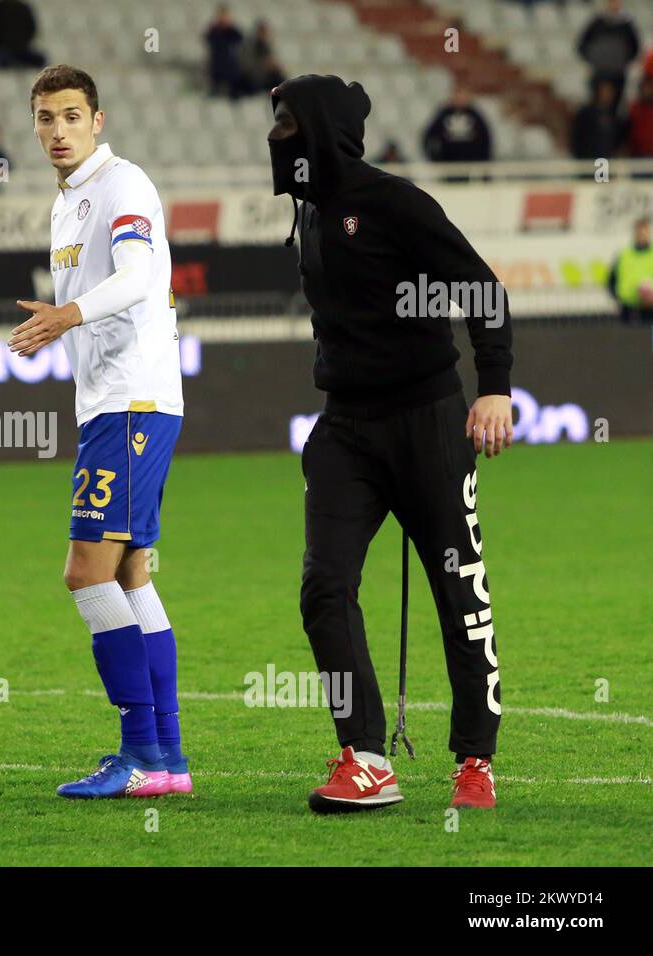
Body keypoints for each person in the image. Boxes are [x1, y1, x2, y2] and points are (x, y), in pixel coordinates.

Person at [267, 74, 511, 813]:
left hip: (426, 421)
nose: (277, 138)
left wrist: (494, 387)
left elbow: (483, 290)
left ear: (322, 131)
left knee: (459, 593)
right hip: (345, 427)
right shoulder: (308, 217)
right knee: (323, 588)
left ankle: (475, 759)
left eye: (286, 123)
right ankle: (365, 757)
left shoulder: (394, 202)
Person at [7, 65, 188, 800]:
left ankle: (139, 750)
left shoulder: (123, 187)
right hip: (117, 404)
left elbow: (140, 275)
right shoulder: (69, 203)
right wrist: (68, 319)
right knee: (129, 571)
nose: (57, 131)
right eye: (46, 118)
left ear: (98, 120)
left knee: (86, 571)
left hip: (131, 403)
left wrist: (65, 316)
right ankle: (167, 762)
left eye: (71, 117)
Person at [577, 0, 640, 111]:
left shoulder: (627, 24)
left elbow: (635, 48)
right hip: (599, 74)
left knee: (615, 108)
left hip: (618, 75)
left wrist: (621, 62)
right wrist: (595, 60)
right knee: (596, 108)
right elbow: (582, 45)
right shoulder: (597, 22)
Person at [422, 85, 492, 167]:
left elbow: (486, 138)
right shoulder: (443, 114)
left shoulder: (475, 114)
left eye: (463, 95)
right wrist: (434, 158)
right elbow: (429, 137)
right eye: (457, 94)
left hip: (471, 164)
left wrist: (482, 160)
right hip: (448, 164)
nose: (460, 98)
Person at [607, 216, 653, 323]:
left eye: (644, 231)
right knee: (626, 338)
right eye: (639, 231)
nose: (641, 234)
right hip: (627, 308)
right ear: (634, 232)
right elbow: (611, 280)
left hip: (650, 308)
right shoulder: (624, 255)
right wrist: (617, 297)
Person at [0, 0, 44, 68]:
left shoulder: (22, 9)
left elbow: (31, 30)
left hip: (20, 51)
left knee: (40, 59)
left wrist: (20, 45)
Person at [571, 80, 626, 159]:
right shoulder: (585, 114)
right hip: (587, 161)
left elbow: (618, 141)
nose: (607, 95)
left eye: (610, 91)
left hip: (608, 163)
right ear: (597, 92)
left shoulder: (615, 117)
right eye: (604, 91)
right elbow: (577, 139)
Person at [205, 5, 245, 99]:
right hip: (216, 63)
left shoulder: (232, 30)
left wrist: (229, 26)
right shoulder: (214, 29)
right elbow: (208, 39)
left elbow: (240, 39)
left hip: (230, 63)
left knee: (234, 90)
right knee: (215, 90)